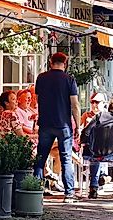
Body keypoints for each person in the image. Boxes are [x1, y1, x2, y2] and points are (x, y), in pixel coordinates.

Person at [34, 52, 81, 203]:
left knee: (41, 158)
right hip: (63, 125)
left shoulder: (41, 78)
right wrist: (78, 125)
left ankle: (36, 191)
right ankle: (69, 194)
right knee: (66, 158)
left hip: (46, 123)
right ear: (65, 64)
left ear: (50, 62)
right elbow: (75, 105)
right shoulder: (69, 80)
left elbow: (37, 100)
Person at [80, 96, 113, 199]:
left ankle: (93, 186)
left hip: (94, 152)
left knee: (96, 152)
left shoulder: (100, 116)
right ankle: (104, 178)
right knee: (104, 150)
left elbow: (86, 131)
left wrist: (84, 142)